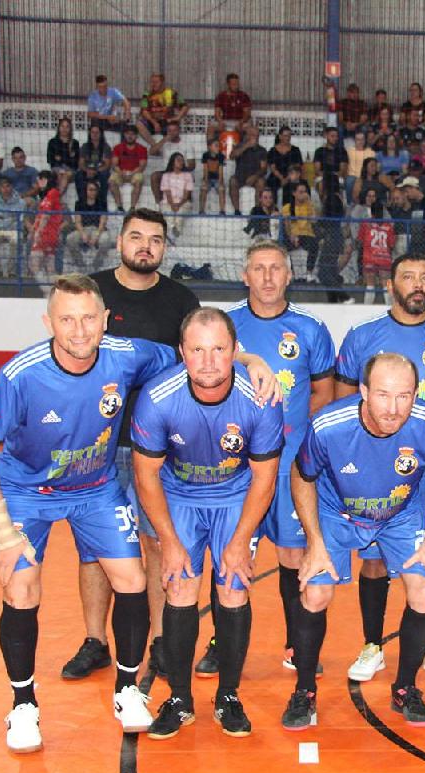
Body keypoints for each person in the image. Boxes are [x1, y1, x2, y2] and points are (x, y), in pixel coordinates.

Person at [0, 274, 181, 752]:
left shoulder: (128, 355)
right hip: (27, 491)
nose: (79, 330)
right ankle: (23, 706)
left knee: (132, 579)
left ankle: (126, 690)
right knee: (20, 585)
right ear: (49, 322)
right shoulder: (21, 375)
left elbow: (194, 353)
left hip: (96, 488)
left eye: (88, 318)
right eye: (67, 319)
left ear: (105, 320)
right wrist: (3, 531)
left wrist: (248, 361)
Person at [65, 209, 278, 683]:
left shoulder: (180, 298)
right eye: (136, 237)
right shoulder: (92, 295)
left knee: (160, 545)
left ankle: (163, 642)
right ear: (119, 240)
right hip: (98, 446)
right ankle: (95, 640)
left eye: (155, 240)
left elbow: (205, 345)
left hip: (162, 447)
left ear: (164, 248)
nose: (145, 246)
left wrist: (250, 358)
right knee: (94, 549)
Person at [131, 307, 283, 739]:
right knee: (179, 582)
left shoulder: (260, 400)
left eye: (219, 349)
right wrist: (168, 541)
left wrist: (241, 540)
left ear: (236, 351)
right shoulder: (159, 397)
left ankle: (228, 696)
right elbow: (145, 476)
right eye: (197, 350)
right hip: (178, 492)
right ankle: (179, 699)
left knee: (233, 585)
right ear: (183, 353)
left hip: (236, 494)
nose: (209, 360)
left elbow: (264, 479)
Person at [284, 354, 425, 729]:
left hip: (401, 512)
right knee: (315, 594)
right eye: (382, 395)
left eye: (404, 396)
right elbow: (301, 476)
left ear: (416, 394)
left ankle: (405, 688)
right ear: (363, 391)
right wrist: (314, 541)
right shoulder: (329, 426)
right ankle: (303, 691)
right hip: (336, 511)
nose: (393, 409)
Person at [335, 254, 425, 680]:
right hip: (375, 469)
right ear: (391, 283)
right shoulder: (363, 336)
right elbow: (343, 401)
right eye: (408, 277)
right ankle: (372, 645)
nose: (417, 284)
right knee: (374, 560)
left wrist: (419, 445)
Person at [223, 241, 336, 677]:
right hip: (236, 463)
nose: (267, 277)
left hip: (291, 463)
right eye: (258, 268)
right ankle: (221, 643)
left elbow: (324, 394)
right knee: (233, 553)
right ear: (245, 275)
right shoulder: (227, 325)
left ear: (289, 276)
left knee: (292, 556)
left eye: (275, 269)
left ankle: (296, 644)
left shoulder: (310, 328)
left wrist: (288, 435)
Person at [66, 178, 113, 272]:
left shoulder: (102, 203)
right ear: (86, 190)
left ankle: (97, 264)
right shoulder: (79, 203)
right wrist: (83, 233)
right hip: (83, 229)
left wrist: (96, 235)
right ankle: (80, 263)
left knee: (106, 240)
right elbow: (77, 221)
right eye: (90, 189)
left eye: (94, 190)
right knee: (70, 239)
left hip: (98, 229)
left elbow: (103, 222)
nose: (92, 192)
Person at [28, 171, 63, 287]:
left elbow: (46, 215)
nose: (39, 183)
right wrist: (33, 229)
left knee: (34, 265)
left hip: (46, 234)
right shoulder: (48, 195)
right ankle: (56, 292)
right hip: (51, 234)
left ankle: (47, 292)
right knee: (50, 267)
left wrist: (38, 233)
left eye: (42, 179)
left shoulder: (52, 193)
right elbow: (41, 216)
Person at [137, 73, 188, 146]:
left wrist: (178, 117)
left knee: (173, 128)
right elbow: (144, 111)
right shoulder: (147, 94)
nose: (153, 84)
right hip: (152, 122)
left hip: (167, 122)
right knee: (139, 124)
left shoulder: (171, 93)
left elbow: (184, 106)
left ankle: (172, 149)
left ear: (162, 82)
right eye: (152, 82)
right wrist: (154, 123)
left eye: (156, 82)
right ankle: (154, 145)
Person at [208, 72, 253, 143]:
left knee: (252, 130)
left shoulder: (243, 96)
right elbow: (217, 113)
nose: (236, 86)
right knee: (210, 129)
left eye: (237, 84)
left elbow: (247, 113)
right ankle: (211, 151)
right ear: (228, 84)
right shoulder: (221, 96)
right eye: (234, 84)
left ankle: (244, 150)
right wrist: (220, 121)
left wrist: (242, 121)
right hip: (225, 121)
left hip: (240, 121)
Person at [110, 127, 148, 210]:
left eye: (132, 134)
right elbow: (114, 165)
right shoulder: (117, 147)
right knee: (111, 181)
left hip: (135, 172)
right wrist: (121, 173)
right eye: (128, 134)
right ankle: (119, 206)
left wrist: (131, 173)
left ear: (136, 136)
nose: (130, 136)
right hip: (121, 172)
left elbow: (142, 166)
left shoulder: (142, 148)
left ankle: (132, 207)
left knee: (138, 182)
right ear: (124, 135)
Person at [158, 153, 194, 237]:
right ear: (172, 162)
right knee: (168, 213)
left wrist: (179, 204)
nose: (181, 162)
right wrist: (172, 204)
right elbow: (167, 193)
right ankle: (172, 231)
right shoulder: (166, 176)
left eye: (182, 160)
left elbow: (186, 195)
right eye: (178, 160)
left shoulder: (188, 176)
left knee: (180, 213)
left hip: (183, 202)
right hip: (167, 202)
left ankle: (174, 233)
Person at [47, 117, 80, 198]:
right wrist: (68, 158)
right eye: (62, 126)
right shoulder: (52, 142)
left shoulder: (75, 143)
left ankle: (55, 199)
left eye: (67, 126)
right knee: (59, 175)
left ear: (70, 129)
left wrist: (60, 158)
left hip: (71, 170)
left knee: (65, 175)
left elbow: (75, 162)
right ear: (59, 128)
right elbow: (50, 159)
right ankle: (57, 199)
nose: (64, 129)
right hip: (56, 168)